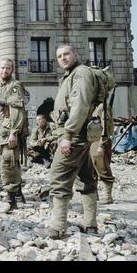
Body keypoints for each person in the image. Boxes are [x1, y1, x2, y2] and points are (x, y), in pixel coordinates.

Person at [37, 44, 102, 240]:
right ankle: (90, 226)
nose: (63, 58)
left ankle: (57, 227)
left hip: (74, 137)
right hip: (81, 137)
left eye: (66, 54)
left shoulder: (80, 73)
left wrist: (67, 135)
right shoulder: (71, 75)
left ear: (76, 54)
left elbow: (79, 106)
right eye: (59, 56)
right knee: (86, 179)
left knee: (59, 177)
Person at [0, 58, 26, 212]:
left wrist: (14, 133)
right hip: (0, 133)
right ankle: (18, 193)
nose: (4, 71)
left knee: (9, 163)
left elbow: (17, 110)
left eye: (7, 68)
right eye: (2, 68)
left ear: (12, 70)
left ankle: (11, 198)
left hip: (9, 133)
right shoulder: (1, 86)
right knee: (5, 163)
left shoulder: (14, 86)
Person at [90, 98, 115, 205]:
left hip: (100, 141)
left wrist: (101, 145)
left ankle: (108, 196)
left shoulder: (102, 107)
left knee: (103, 167)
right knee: (91, 169)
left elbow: (106, 128)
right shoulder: (89, 107)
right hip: (90, 141)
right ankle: (94, 195)